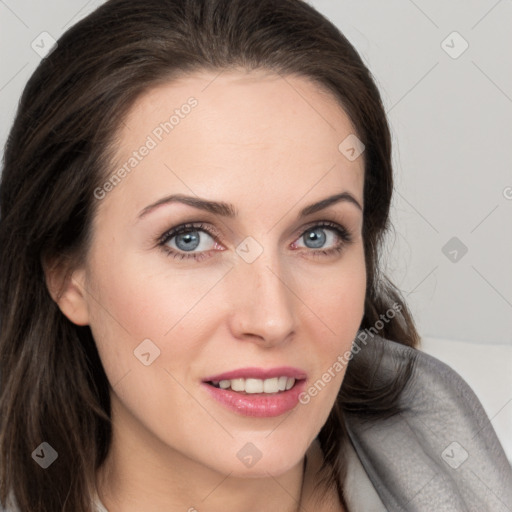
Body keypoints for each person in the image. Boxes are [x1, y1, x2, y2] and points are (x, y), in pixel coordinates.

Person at [0, 1, 510, 511]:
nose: (272, 318)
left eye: (317, 236)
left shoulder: (484, 441)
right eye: (190, 239)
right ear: (68, 274)